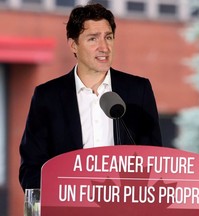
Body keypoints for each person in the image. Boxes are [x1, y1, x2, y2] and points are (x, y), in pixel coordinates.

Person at [19, 2, 162, 191]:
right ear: (73, 45)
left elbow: (155, 160)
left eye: (108, 37)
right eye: (93, 39)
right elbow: (31, 168)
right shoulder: (47, 96)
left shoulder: (138, 90)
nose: (104, 47)